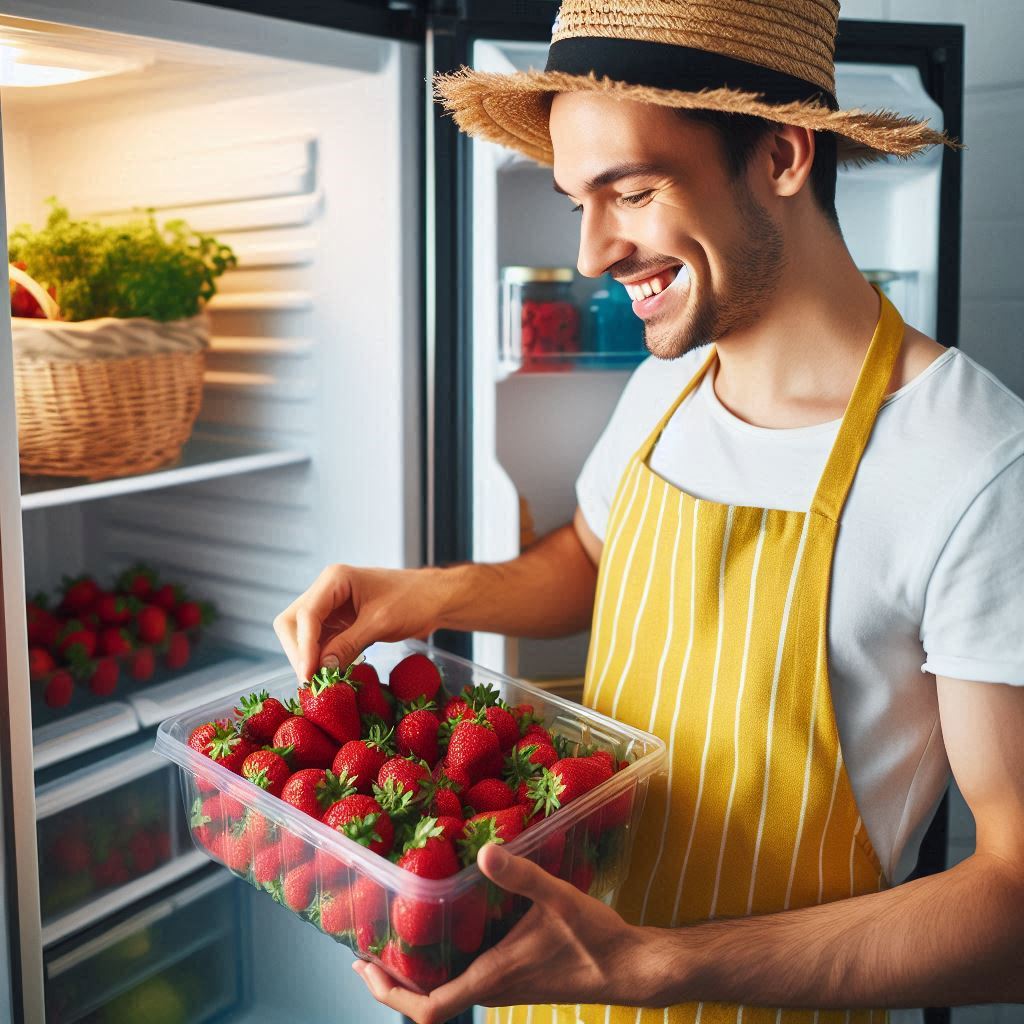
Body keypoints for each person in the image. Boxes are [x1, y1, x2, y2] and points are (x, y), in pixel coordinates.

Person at [274, 2, 1024, 1023]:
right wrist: (424, 593)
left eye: (629, 190)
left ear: (782, 155)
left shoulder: (973, 462)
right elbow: (592, 557)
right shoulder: (665, 385)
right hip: (544, 994)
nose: (590, 251)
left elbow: (1014, 900)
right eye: (577, 199)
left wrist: (656, 967)